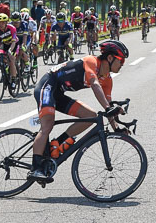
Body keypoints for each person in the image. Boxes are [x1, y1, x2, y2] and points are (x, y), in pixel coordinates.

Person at [29, 39, 130, 182]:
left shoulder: (107, 79)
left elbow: (108, 107)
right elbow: (95, 84)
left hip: (58, 93)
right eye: (121, 60)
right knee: (47, 126)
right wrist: (108, 108)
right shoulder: (91, 61)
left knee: (91, 116)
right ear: (110, 57)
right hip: (47, 86)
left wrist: (117, 128)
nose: (122, 64)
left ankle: (57, 144)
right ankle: (36, 168)